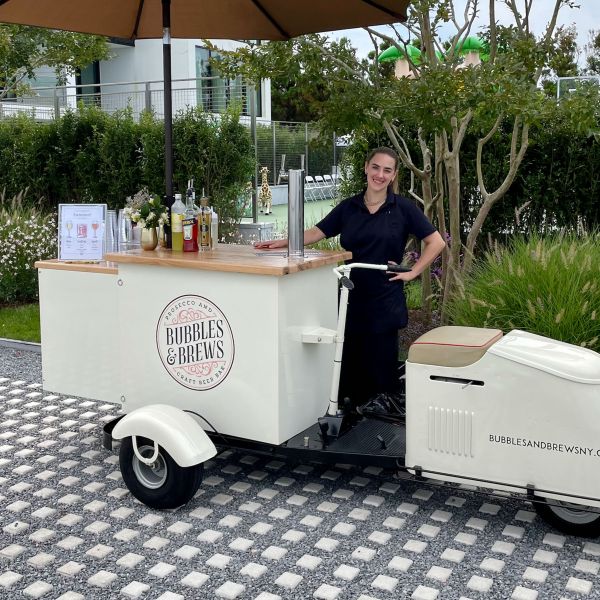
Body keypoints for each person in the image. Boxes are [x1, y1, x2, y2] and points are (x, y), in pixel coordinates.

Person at [255, 147, 445, 408]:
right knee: (348, 365)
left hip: (384, 298)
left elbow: (436, 242)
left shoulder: (402, 208)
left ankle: (377, 424)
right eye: (375, 167)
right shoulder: (349, 207)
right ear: (366, 167)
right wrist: (284, 241)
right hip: (350, 296)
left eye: (387, 170)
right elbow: (317, 232)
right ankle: (348, 418)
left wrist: (412, 272)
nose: (380, 174)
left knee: (380, 372)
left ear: (393, 175)